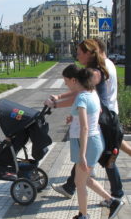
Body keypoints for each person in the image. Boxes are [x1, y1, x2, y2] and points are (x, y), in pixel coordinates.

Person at [46, 39, 125, 205]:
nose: (77, 55)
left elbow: (80, 95)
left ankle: (116, 196)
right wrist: (60, 99)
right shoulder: (93, 70)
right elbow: (77, 90)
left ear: (89, 53)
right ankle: (71, 186)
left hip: (104, 121)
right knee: (100, 158)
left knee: (108, 159)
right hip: (101, 118)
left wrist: (56, 104)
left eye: (79, 53)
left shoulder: (94, 73)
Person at [59, 65, 124, 219]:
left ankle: (83, 217)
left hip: (87, 144)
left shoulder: (81, 98)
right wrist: (72, 119)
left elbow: (85, 127)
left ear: (75, 80)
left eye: (66, 81)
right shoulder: (92, 93)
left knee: (79, 182)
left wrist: (82, 155)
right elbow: (94, 115)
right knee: (85, 179)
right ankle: (112, 201)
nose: (66, 84)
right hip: (95, 141)